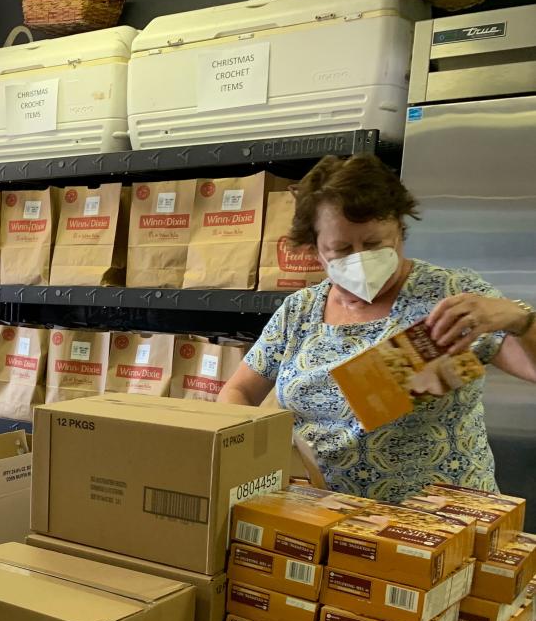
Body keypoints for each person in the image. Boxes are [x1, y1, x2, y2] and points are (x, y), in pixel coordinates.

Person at [220, 154, 536, 501]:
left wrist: (519, 318)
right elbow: (238, 393)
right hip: (326, 522)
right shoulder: (300, 310)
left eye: (373, 244)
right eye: (341, 248)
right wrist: (251, 457)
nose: (360, 259)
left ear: (400, 229)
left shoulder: (451, 297)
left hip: (441, 529)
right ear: (315, 251)